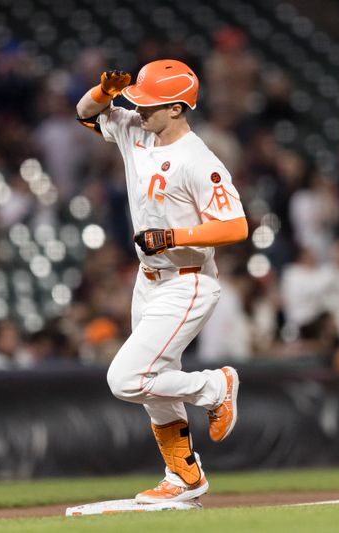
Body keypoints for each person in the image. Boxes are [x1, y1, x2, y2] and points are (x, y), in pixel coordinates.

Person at [75, 61, 248, 504]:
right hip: (148, 279)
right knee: (155, 385)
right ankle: (184, 478)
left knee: (127, 378)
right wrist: (100, 92)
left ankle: (215, 387)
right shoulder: (137, 128)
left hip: (187, 280)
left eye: (148, 103)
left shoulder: (199, 160)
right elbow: (85, 114)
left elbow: (235, 226)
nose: (137, 108)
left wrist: (175, 236)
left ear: (176, 108)